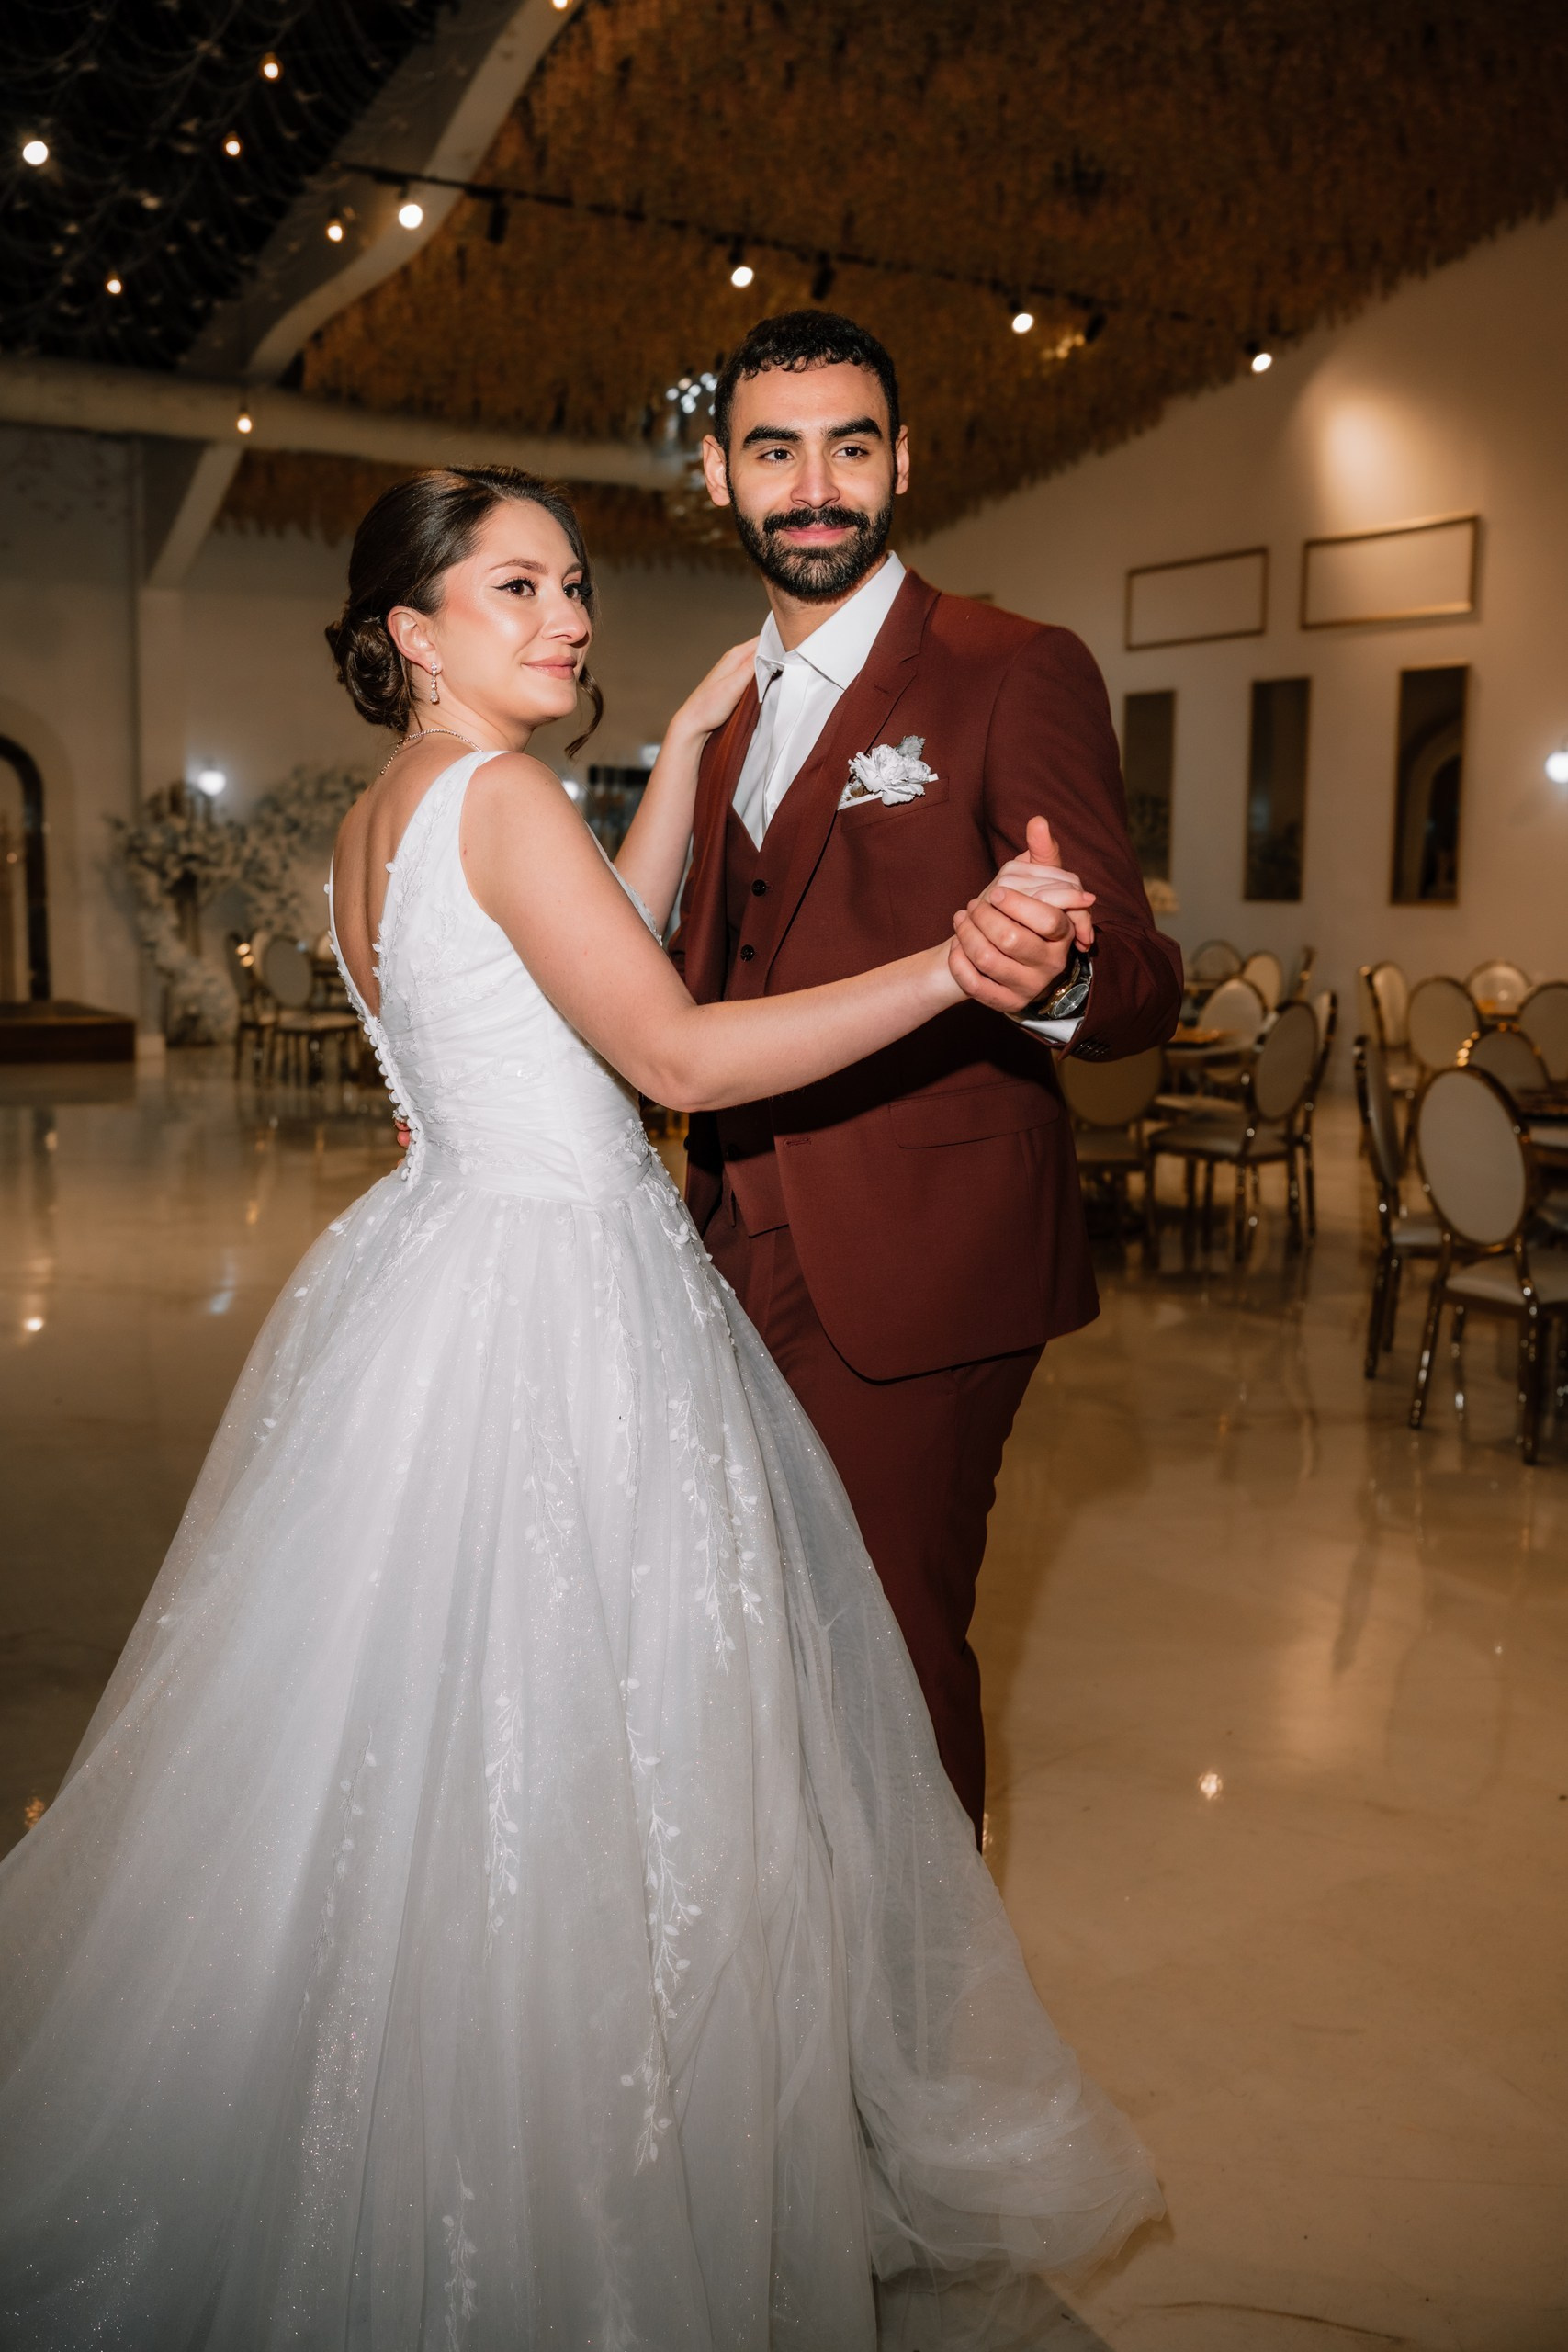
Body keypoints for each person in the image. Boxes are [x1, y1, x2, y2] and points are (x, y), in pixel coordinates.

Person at [0, 466, 1158, 2347]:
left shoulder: (386, 821)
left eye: (576, 585)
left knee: (429, 1749)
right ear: (412, 629)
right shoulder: (504, 796)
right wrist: (953, 964)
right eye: (518, 586)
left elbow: (578, 963)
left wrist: (691, 744)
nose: (569, 619)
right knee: (599, 1750)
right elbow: (669, 1047)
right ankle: (583, 2197)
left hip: (438, 1270)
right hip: (559, 1300)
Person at [675, 311, 1184, 1843]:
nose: (816, 484)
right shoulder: (728, 720)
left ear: (902, 460)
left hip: (922, 1264)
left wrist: (1065, 973)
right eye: (776, 450)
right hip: (724, 1244)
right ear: (720, 477)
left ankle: (922, 2056)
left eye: (850, 444)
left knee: (889, 1663)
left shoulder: (1010, 669)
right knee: (767, 1654)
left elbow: (1144, 977)